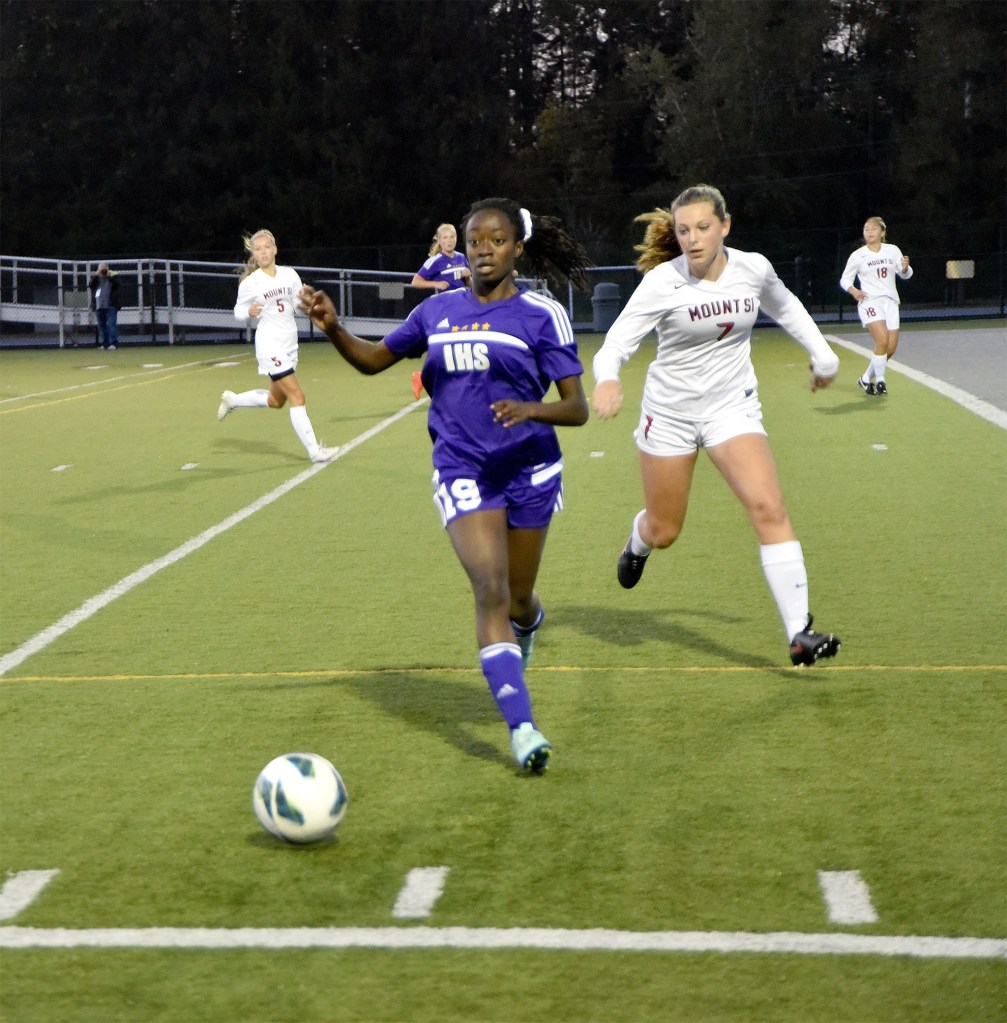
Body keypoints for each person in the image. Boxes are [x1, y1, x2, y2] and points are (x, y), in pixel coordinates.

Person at [301, 198, 592, 773]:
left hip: (531, 469)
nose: (484, 248)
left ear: (517, 249)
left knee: (518, 599)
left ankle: (528, 623)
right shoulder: (437, 312)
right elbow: (372, 360)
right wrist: (334, 327)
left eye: (497, 239)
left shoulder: (540, 315)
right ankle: (523, 728)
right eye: (476, 238)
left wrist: (531, 410)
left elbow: (577, 409)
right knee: (488, 590)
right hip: (462, 467)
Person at [592, 184, 842, 668]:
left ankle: (798, 633)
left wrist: (823, 354)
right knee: (665, 529)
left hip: (733, 408)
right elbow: (616, 343)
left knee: (768, 506)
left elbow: (785, 306)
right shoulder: (663, 282)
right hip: (669, 415)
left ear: (725, 226)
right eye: (684, 230)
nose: (693, 239)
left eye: (703, 227)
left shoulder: (753, 267)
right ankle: (638, 541)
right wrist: (606, 379)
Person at [217, 229, 337, 463]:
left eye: (266, 247)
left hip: (289, 344)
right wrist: (248, 312)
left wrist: (307, 302)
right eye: (258, 249)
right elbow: (238, 311)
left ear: (274, 249)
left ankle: (234, 400)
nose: (262, 252)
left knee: (276, 401)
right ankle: (315, 451)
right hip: (269, 345)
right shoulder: (251, 284)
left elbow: (296, 303)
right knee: (297, 396)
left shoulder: (289, 274)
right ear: (254, 254)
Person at [839, 216, 913, 396]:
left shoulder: (892, 250)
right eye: (866, 229)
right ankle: (880, 381)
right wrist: (854, 291)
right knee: (882, 341)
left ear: (882, 232)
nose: (869, 231)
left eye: (873, 228)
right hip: (870, 301)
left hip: (890, 301)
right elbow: (844, 279)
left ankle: (865, 378)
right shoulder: (858, 255)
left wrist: (904, 268)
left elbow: (904, 274)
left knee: (890, 348)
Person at [410, 223, 471, 293]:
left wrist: (468, 278)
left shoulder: (461, 257)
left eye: (452, 237)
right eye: (445, 237)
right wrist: (436, 284)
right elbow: (415, 282)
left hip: (461, 301)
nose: (449, 240)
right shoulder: (434, 260)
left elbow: (470, 285)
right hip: (445, 302)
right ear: (439, 240)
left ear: (456, 238)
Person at [88, 262, 122, 350]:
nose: (103, 270)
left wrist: (108, 276)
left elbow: (118, 284)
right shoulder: (97, 278)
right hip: (99, 306)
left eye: (104, 268)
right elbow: (91, 285)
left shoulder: (114, 276)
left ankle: (114, 343)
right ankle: (105, 343)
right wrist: (96, 275)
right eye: (101, 268)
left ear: (107, 268)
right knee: (102, 326)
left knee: (111, 324)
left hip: (111, 305)